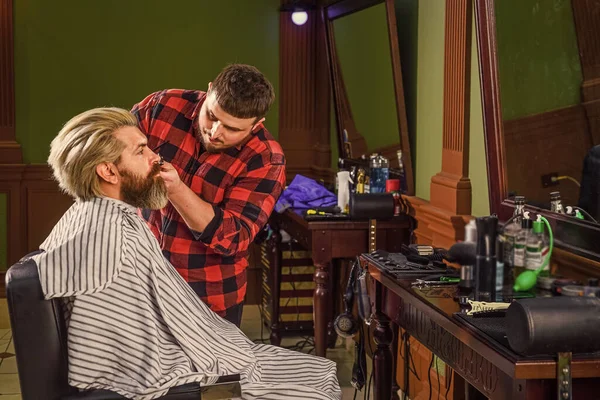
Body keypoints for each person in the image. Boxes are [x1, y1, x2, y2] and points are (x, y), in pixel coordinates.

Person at [33, 107, 340, 400]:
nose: (156, 156)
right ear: (108, 171)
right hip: (172, 360)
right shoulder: (111, 235)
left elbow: (234, 237)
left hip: (213, 291)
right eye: (141, 150)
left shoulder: (92, 218)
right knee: (311, 379)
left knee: (310, 371)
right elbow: (118, 356)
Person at [131, 64, 285, 326]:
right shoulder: (162, 106)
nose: (215, 133)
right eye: (212, 116)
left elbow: (233, 238)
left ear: (257, 124)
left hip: (208, 296)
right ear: (209, 91)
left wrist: (176, 189)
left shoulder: (266, 159)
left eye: (233, 129)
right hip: (140, 281)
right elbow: (114, 148)